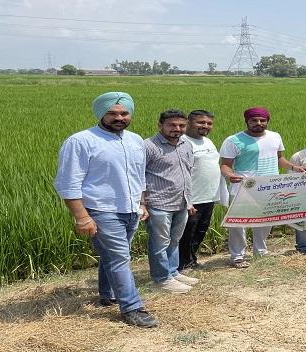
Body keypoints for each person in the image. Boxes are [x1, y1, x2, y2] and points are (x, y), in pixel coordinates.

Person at [53, 92, 158, 328]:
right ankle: (132, 308)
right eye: (112, 113)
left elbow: (139, 176)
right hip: (101, 209)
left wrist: (142, 203)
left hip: (130, 208)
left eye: (124, 113)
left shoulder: (135, 140)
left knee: (113, 256)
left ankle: (107, 295)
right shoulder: (81, 141)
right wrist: (82, 217)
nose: (119, 117)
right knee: (119, 257)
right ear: (101, 113)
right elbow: (67, 183)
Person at [220, 107, 306, 268]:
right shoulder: (233, 140)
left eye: (262, 120)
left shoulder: (275, 137)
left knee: (266, 220)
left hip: (269, 186)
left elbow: (280, 159)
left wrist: (295, 168)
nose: (258, 123)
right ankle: (237, 256)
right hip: (243, 187)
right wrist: (230, 175)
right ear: (247, 121)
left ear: (267, 121)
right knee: (238, 222)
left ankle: (260, 251)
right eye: (254, 120)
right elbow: (225, 165)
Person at [144, 109, 199, 293]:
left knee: (174, 240)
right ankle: (161, 279)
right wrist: (142, 203)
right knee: (159, 243)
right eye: (172, 125)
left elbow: (188, 172)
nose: (177, 129)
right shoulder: (149, 146)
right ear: (160, 125)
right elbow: (138, 176)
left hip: (181, 202)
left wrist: (189, 201)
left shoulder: (186, 144)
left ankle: (172, 272)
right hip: (158, 203)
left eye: (181, 125)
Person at [178, 110, 223, 271]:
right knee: (186, 233)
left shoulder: (207, 142)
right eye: (201, 122)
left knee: (200, 230)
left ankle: (191, 260)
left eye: (209, 123)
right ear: (189, 122)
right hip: (192, 198)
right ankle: (182, 264)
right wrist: (187, 199)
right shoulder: (182, 142)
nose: (205, 126)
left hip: (208, 196)